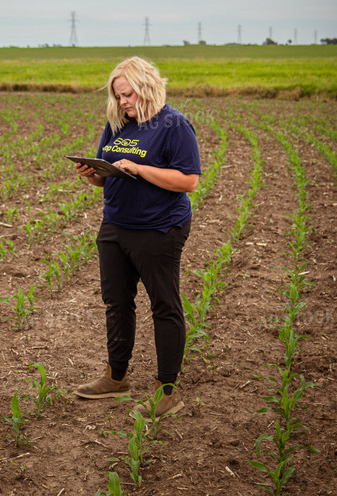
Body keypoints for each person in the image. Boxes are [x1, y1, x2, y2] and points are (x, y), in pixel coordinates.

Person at [74, 56, 201, 419]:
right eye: (118, 96)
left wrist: (140, 169)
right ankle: (117, 377)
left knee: (164, 305)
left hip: (159, 228)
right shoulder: (117, 124)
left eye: (128, 94)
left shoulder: (174, 124)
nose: (123, 102)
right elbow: (105, 175)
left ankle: (167, 391)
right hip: (115, 225)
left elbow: (189, 180)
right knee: (117, 303)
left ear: (146, 86)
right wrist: (92, 174)